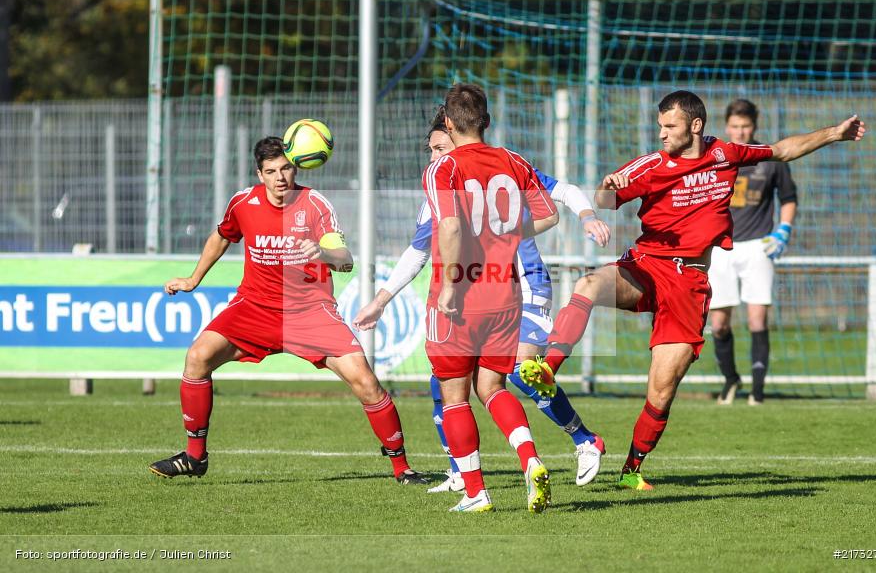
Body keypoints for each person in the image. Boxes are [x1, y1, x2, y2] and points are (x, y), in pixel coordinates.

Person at [518, 90, 865, 491]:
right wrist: (606, 186)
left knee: (661, 391)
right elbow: (604, 201)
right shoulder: (650, 164)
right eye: (660, 126)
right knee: (589, 283)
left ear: (695, 126)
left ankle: (631, 469)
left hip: (690, 285)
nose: (662, 134)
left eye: (670, 126)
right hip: (647, 266)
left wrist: (834, 134)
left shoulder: (726, 153)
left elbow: (784, 150)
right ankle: (548, 369)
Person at [354, 106, 612, 493]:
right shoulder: (440, 191)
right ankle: (462, 470)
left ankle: (583, 439)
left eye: (443, 147)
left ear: (457, 134)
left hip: (524, 284)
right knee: (445, 381)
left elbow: (564, 193)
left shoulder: (502, 168)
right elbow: (417, 252)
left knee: (519, 372)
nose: (439, 157)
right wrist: (382, 298)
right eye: (433, 151)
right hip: (478, 292)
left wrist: (587, 215)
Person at [149, 137, 429, 486]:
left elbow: (346, 261)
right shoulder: (243, 202)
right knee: (197, 357)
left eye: (285, 169)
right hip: (254, 307)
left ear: (296, 167)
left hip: (310, 311)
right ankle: (194, 456)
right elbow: (222, 236)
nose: (280, 178)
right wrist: (194, 278)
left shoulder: (314, 205)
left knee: (366, 382)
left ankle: (403, 469)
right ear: (259, 173)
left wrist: (323, 253)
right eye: (271, 171)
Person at [419, 83, 560, 513]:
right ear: (486, 120)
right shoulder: (513, 160)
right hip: (506, 294)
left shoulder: (443, 168)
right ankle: (531, 460)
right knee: (492, 386)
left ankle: (476, 492)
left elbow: (451, 228)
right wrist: (509, 233)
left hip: (461, 296)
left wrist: (447, 287)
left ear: (447, 122)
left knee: (455, 395)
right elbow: (549, 214)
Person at [709, 99, 798, 406]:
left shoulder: (770, 158)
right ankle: (731, 379)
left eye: (745, 126)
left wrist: (783, 229)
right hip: (720, 248)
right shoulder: (714, 157)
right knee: (718, 323)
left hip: (758, 246)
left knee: (757, 320)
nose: (740, 131)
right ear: (726, 126)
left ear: (754, 126)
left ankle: (757, 393)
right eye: (735, 126)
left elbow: (788, 198)